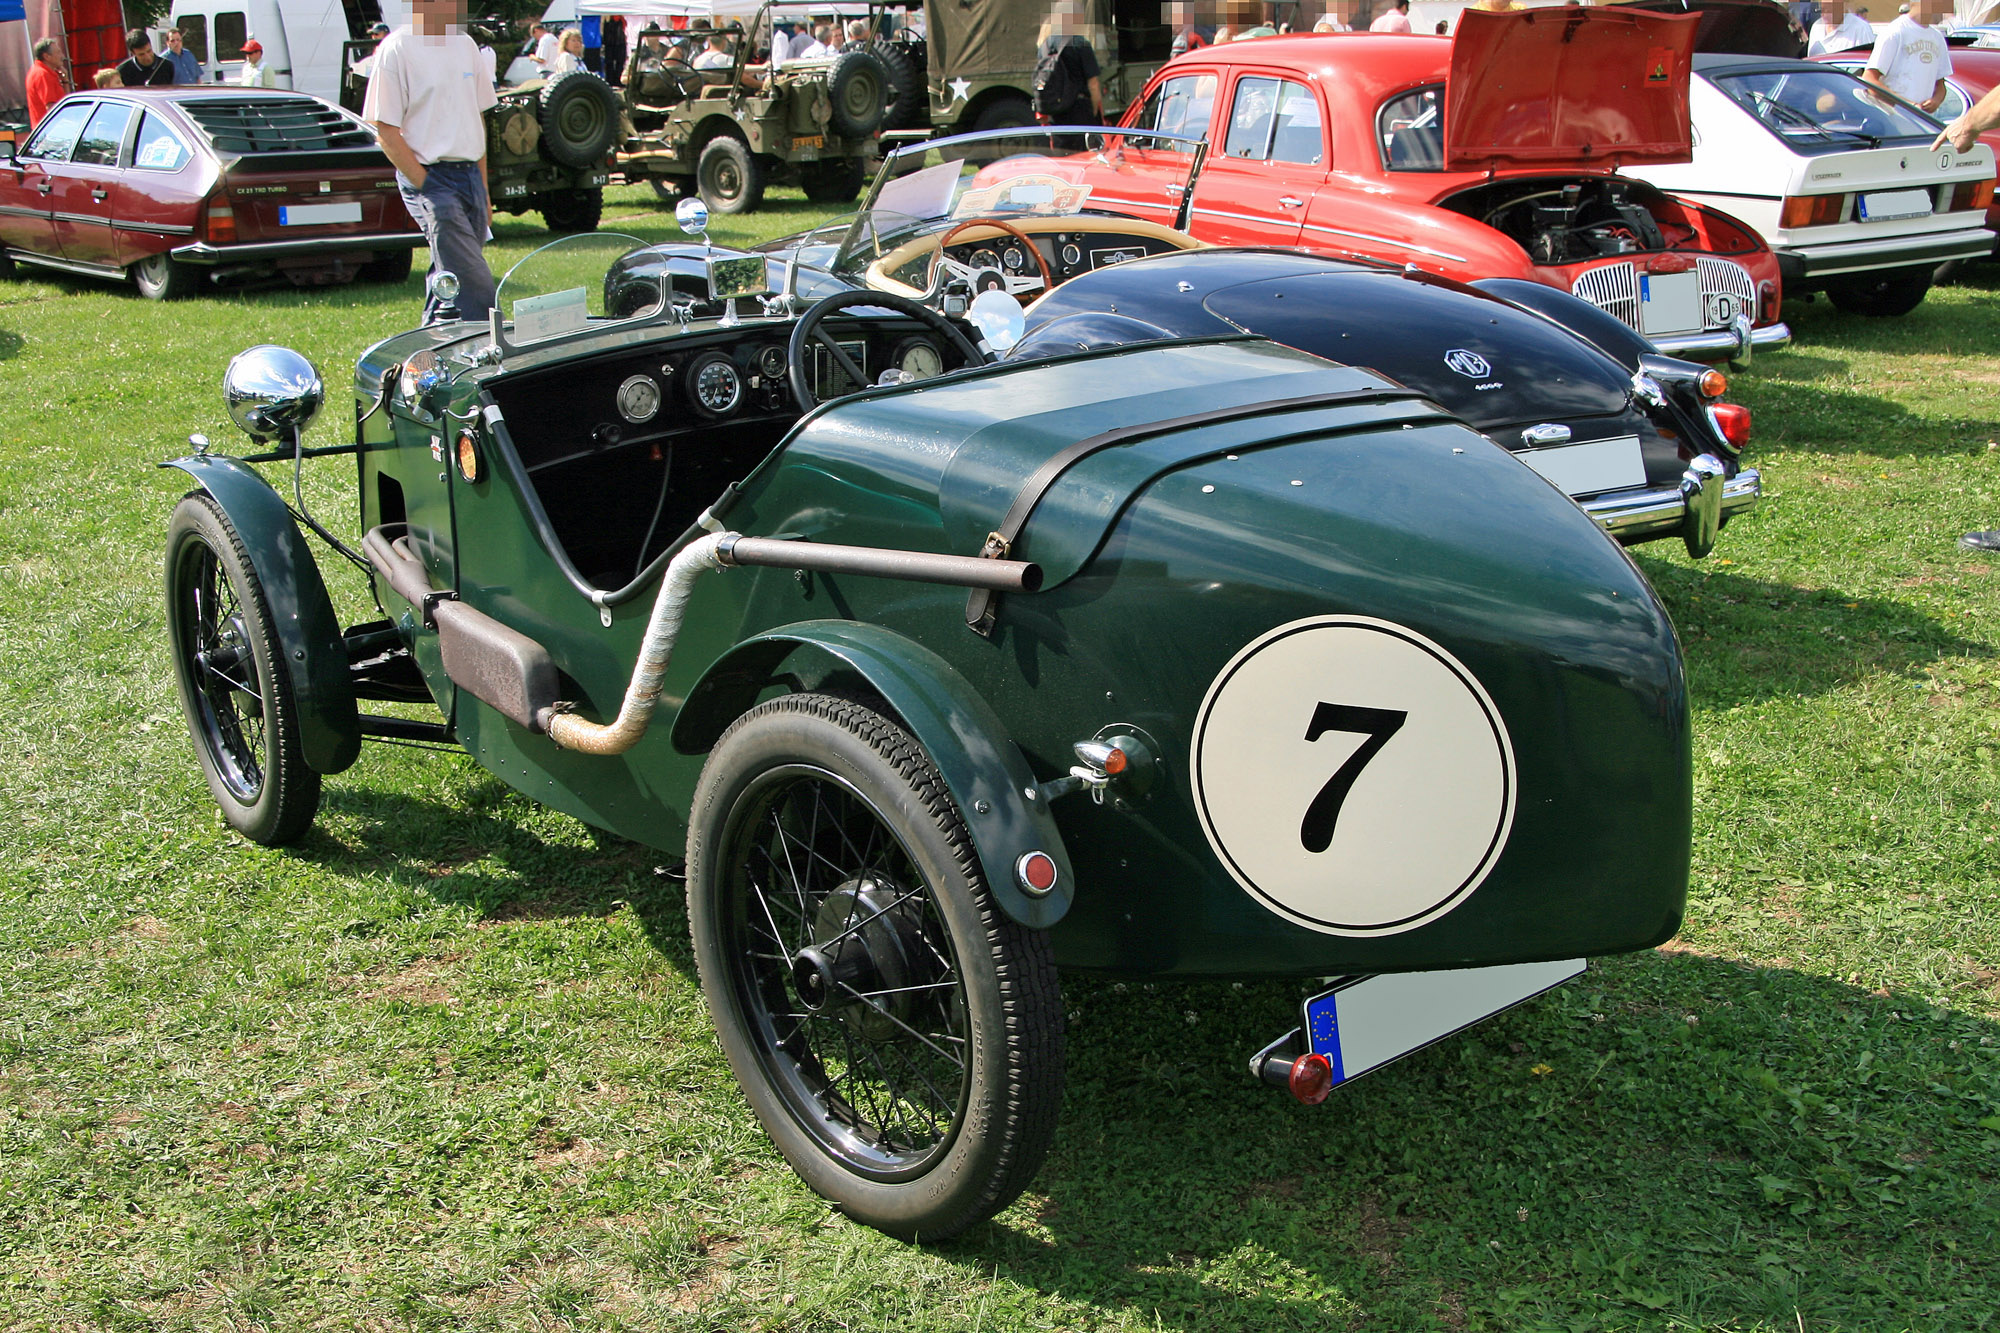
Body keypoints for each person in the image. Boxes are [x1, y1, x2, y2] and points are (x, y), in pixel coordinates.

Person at [364, 0, 499, 324]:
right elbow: (385, 131)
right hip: (431, 178)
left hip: (469, 176)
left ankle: (424, 358)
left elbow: (475, 118)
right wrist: (427, 185)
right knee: (475, 283)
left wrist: (483, 187)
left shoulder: (466, 46)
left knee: (449, 280)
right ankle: (486, 343)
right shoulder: (395, 48)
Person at [1865, 0, 1951, 112]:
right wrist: (1908, 105)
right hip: (1892, 118)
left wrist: (1936, 101)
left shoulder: (1937, 37)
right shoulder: (1895, 32)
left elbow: (1940, 85)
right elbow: (1870, 79)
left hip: (1922, 121)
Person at [1034, 2, 1104, 127]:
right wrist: (1094, 111)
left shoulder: (1044, 46)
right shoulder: (1081, 44)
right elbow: (1093, 84)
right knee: (1084, 147)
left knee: (1060, 147)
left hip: (1055, 112)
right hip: (1080, 111)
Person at [1808, 0, 1875, 54]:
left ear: (1844, 5)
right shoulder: (1816, 27)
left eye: (1830, 11)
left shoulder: (1862, 29)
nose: (1825, 15)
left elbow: (1867, 65)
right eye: (1822, 10)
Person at [26, 38, 65, 127]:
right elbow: (51, 107)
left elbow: (64, 100)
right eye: (58, 52)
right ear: (46, 56)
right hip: (51, 130)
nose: (62, 56)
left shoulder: (44, 72)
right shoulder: (42, 74)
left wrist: (65, 81)